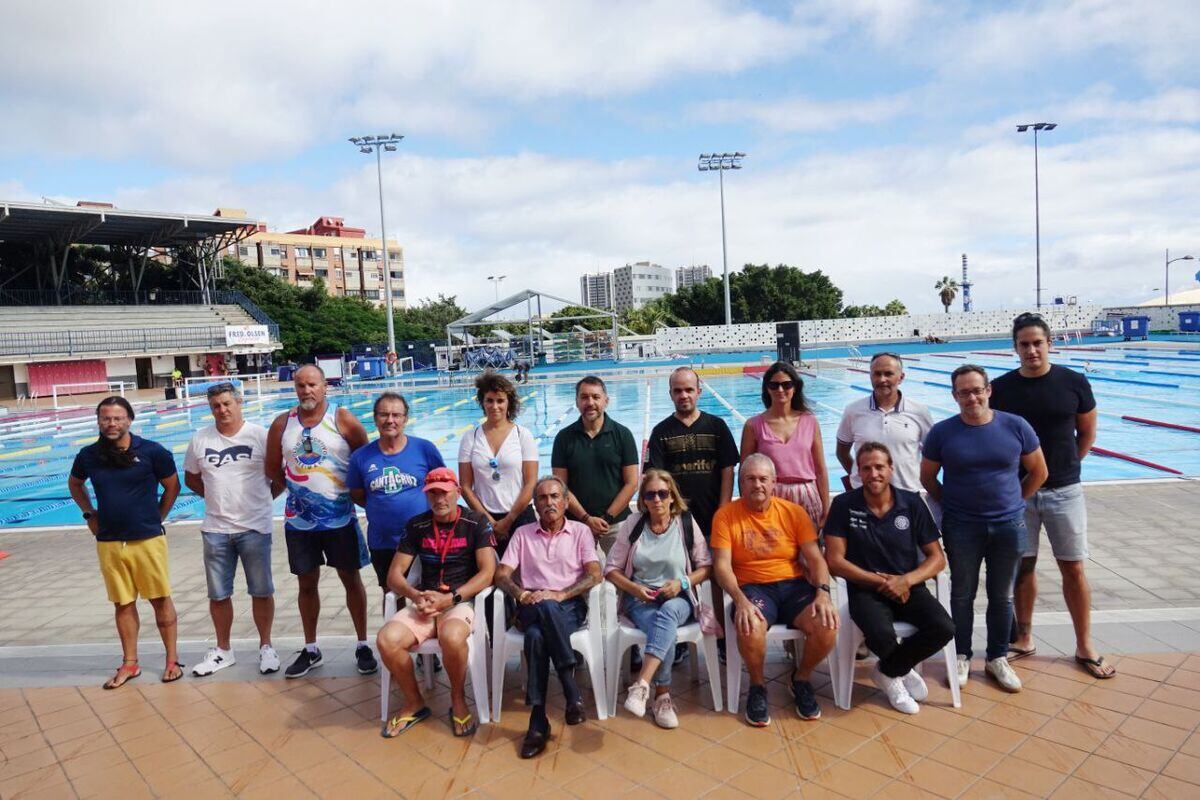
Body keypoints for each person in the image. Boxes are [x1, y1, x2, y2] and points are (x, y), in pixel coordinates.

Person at [991, 314, 1111, 678]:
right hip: (1018, 493)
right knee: (1023, 567)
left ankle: (1084, 644)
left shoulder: (1073, 383)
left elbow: (1086, 433)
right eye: (1024, 344)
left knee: (1073, 567)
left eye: (1037, 343)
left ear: (1049, 344)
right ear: (1015, 348)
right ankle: (1024, 638)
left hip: (1064, 490)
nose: (1031, 350)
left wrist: (1066, 465)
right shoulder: (1001, 388)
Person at [921, 365, 1048, 693]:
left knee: (1001, 594)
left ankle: (997, 657)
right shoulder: (943, 432)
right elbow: (927, 477)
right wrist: (950, 505)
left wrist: (1015, 500)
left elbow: (1039, 471)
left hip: (1008, 523)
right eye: (963, 392)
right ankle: (962, 654)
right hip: (962, 526)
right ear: (954, 396)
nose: (971, 397)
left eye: (977, 390)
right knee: (962, 594)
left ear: (988, 390)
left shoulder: (1015, 426)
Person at [265, 364, 377, 679]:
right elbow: (273, 468)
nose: (306, 390)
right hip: (299, 523)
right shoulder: (281, 424)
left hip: (340, 518)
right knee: (306, 584)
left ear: (325, 386)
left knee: (351, 580)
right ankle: (311, 648)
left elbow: (365, 460)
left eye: (312, 384)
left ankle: (362, 643)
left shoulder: (342, 419)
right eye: (300, 385)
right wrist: (299, 492)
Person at [825, 443, 954, 714]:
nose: (874, 474)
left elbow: (937, 558)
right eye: (867, 468)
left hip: (909, 586)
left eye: (879, 467)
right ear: (857, 472)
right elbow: (835, 561)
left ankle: (888, 671)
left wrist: (906, 580)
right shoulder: (844, 504)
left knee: (944, 627)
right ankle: (899, 673)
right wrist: (880, 581)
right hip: (866, 590)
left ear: (891, 469)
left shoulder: (911, 503)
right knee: (880, 632)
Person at [710, 454, 838, 726]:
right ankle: (758, 686)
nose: (757, 485)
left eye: (763, 479)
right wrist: (740, 600)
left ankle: (801, 678)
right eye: (750, 479)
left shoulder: (793, 513)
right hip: (753, 587)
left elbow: (815, 558)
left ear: (774, 483)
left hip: (792, 585)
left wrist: (823, 593)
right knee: (749, 625)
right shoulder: (725, 517)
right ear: (741, 485)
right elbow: (721, 566)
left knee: (827, 624)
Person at [67, 396, 183, 688]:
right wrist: (88, 513)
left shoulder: (153, 451)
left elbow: (173, 486)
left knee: (159, 599)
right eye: (106, 418)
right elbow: (75, 483)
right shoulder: (88, 455)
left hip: (147, 539)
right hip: (109, 541)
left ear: (129, 420)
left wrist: (158, 517)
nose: (111, 424)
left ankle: (171, 661)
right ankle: (130, 663)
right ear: (98, 421)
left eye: (117, 418)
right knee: (123, 603)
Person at [376, 468, 497, 738]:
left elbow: (487, 572)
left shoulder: (476, 522)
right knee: (387, 640)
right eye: (432, 493)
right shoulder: (417, 525)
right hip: (425, 602)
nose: (438, 499)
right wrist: (415, 595)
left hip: (458, 600)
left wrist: (451, 598)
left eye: (444, 492)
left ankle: (457, 698)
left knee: (452, 637)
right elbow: (394, 576)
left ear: (457, 491)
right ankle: (414, 702)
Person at [494, 476, 602, 759]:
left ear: (566, 502)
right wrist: (520, 594)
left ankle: (538, 719)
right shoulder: (523, 534)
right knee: (543, 608)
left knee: (536, 636)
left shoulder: (580, 532)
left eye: (555, 497)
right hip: (530, 604)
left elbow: (595, 574)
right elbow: (501, 574)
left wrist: (561, 595)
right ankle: (570, 690)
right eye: (542, 498)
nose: (549, 502)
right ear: (535, 505)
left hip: (568, 606)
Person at [183, 383, 283, 676]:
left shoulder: (260, 436)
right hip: (215, 528)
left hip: (255, 527)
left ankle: (266, 647)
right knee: (218, 594)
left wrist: (261, 502)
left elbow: (279, 478)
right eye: (216, 406)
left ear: (239, 403)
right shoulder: (200, 439)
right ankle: (223, 650)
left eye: (227, 404)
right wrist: (217, 500)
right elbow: (191, 479)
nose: (222, 410)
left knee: (262, 591)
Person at [605, 469, 712, 728]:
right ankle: (662, 696)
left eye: (662, 494)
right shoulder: (634, 525)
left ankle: (642, 684)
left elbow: (706, 567)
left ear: (672, 497)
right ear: (643, 499)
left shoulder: (685, 522)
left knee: (668, 614)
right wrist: (633, 589)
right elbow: (611, 569)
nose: (657, 500)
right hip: (641, 598)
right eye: (650, 494)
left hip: (678, 596)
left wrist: (682, 583)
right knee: (662, 626)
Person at [644, 366, 737, 663]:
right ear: (670, 393)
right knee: (679, 578)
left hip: (713, 517)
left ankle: (721, 638)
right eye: (677, 391)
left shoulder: (717, 426)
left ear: (699, 391)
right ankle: (680, 639)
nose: (683, 395)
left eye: (688, 390)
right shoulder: (661, 432)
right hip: (677, 524)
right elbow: (656, 476)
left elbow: (727, 469)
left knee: (718, 579)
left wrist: (723, 508)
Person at [347, 392, 445, 593]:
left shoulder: (425, 449)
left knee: (431, 593)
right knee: (391, 594)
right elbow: (357, 494)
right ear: (375, 419)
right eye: (384, 415)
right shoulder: (361, 457)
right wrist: (383, 506)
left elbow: (444, 488)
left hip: (425, 539)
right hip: (383, 542)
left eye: (396, 415)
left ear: (405, 419)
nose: (390, 420)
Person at [551, 375, 639, 553]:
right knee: (580, 578)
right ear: (577, 402)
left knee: (623, 576)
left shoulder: (623, 434)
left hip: (617, 523)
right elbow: (561, 486)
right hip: (576, 523)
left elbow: (632, 483)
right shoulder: (564, 438)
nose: (590, 402)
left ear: (606, 401)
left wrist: (606, 518)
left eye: (596, 397)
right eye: (584, 397)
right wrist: (586, 519)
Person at [740, 361, 830, 527]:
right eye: (774, 385)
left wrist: (826, 506)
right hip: (770, 495)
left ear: (795, 387)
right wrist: (745, 506)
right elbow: (744, 472)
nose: (780, 390)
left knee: (808, 549)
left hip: (807, 495)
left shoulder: (809, 421)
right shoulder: (753, 425)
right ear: (767, 388)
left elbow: (820, 469)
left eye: (786, 385)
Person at [458, 371, 538, 551]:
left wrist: (508, 520)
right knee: (488, 575)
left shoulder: (523, 435)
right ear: (482, 402)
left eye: (500, 400)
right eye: (490, 400)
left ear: (509, 403)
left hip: (520, 516)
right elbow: (464, 486)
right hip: (482, 518)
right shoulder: (470, 437)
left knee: (524, 576)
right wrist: (488, 520)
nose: (495, 406)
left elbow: (531, 483)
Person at [835, 353, 934, 494]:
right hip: (865, 496)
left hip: (908, 494)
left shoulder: (919, 411)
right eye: (877, 374)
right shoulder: (853, 411)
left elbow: (933, 455)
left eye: (888, 374)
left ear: (901, 377)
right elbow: (842, 452)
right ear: (870, 376)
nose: (882, 379)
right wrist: (860, 477)